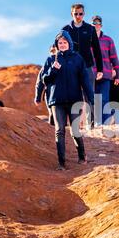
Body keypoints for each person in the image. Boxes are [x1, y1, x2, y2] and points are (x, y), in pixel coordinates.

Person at [42, 30, 94, 170]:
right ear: (56, 44)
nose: (62, 45)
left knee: (75, 129)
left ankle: (82, 156)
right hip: (57, 101)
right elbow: (45, 80)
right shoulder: (51, 59)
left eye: (65, 42)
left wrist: (91, 98)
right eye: (60, 43)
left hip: (74, 100)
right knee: (59, 130)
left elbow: (85, 80)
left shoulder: (77, 58)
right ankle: (61, 163)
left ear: (69, 43)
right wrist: (53, 70)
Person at [62, 3, 103, 128]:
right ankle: (74, 123)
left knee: (89, 94)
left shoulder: (90, 29)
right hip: (71, 67)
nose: (78, 16)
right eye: (76, 14)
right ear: (71, 14)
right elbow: (61, 49)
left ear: (84, 14)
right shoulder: (66, 30)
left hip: (87, 66)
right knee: (73, 95)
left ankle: (90, 123)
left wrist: (100, 69)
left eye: (80, 14)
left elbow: (97, 49)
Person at [91, 15, 119, 125]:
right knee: (92, 100)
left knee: (104, 100)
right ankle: (94, 124)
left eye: (97, 23)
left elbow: (114, 58)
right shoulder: (86, 40)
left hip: (106, 75)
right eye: (93, 24)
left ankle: (105, 124)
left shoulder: (108, 40)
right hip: (91, 76)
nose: (95, 26)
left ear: (101, 25)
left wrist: (118, 75)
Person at [34, 45, 56, 125]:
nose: (53, 54)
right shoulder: (47, 65)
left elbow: (40, 82)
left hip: (51, 94)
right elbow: (40, 82)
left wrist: (38, 98)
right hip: (53, 93)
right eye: (52, 52)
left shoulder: (46, 65)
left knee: (53, 113)